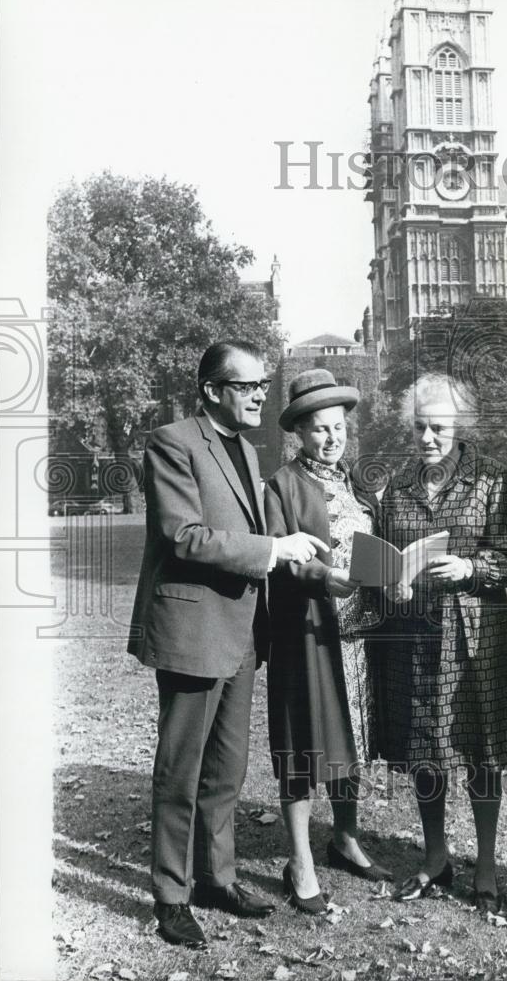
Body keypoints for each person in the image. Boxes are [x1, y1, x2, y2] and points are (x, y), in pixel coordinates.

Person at [127, 341, 328, 948]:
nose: (261, 395)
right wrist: (273, 550)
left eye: (264, 385)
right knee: (181, 769)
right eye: (248, 386)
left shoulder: (245, 447)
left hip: (241, 631)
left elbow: (256, 533)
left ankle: (217, 877)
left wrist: (309, 552)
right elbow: (183, 535)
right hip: (192, 629)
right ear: (213, 390)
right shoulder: (172, 442)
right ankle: (170, 895)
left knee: (227, 769)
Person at [371, 372, 507, 914]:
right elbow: (386, 556)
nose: (427, 439)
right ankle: (436, 857)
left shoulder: (492, 480)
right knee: (425, 749)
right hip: (413, 633)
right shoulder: (396, 485)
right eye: (419, 428)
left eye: (437, 428)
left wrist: (470, 565)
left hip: (474, 634)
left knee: (482, 748)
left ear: (460, 427)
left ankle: (485, 862)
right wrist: (392, 578)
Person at [264, 368, 392, 915]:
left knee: (352, 742)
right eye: (319, 429)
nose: (332, 438)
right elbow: (279, 557)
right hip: (310, 633)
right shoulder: (283, 485)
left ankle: (345, 838)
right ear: (299, 432)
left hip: (361, 634)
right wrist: (323, 575)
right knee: (303, 744)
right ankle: (300, 860)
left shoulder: (356, 481)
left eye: (338, 427)